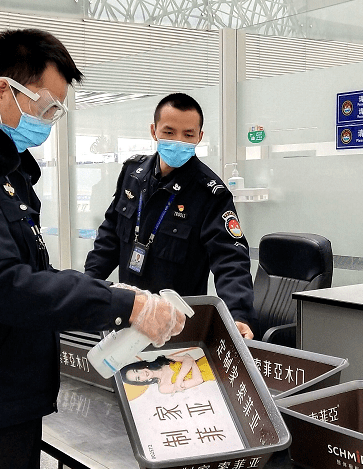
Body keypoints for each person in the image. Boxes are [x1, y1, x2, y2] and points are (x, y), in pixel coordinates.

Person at [0, 29, 186, 469]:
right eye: (45, 105)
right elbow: (2, 286)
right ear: (0, 92)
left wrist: (107, 300)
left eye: (56, 110)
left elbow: (31, 272)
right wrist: (126, 304)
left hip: (7, 395)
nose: (49, 120)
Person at [84, 93, 256, 339]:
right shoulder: (133, 174)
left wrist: (238, 314)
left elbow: (230, 259)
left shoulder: (209, 192)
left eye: (188, 134)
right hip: (128, 313)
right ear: (154, 131)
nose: (178, 141)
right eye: (169, 132)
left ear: (199, 137)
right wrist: (88, 284)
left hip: (175, 326)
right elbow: (111, 233)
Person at [121, 352, 215, 395]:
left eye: (136, 370)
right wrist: (189, 361)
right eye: (138, 378)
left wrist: (179, 379)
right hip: (213, 373)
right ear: (141, 381)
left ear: (139, 366)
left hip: (210, 357)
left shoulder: (162, 360)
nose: (141, 374)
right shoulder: (163, 388)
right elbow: (198, 379)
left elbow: (189, 359)